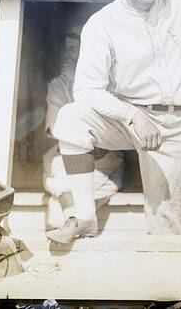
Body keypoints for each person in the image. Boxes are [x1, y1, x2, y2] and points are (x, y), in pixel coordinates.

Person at [46, 0, 181, 243]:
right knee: (71, 117)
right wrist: (132, 115)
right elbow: (86, 90)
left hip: (180, 119)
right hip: (131, 119)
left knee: (166, 224)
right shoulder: (102, 23)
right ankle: (84, 217)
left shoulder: (180, 2)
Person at [42, 28, 125, 230]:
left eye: (74, 49)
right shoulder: (59, 85)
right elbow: (55, 130)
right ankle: (72, 216)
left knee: (60, 195)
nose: (68, 56)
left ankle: (68, 214)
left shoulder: (111, 83)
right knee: (59, 169)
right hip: (68, 156)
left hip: (105, 156)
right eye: (67, 50)